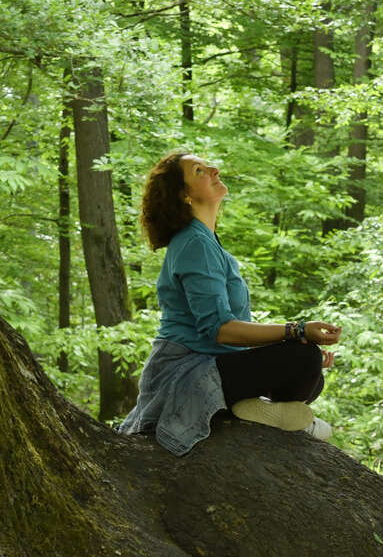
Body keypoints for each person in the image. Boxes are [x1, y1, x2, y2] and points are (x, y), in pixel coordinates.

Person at [119, 149, 342, 456]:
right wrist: (297, 331)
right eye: (199, 171)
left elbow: (229, 336)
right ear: (184, 195)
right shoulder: (194, 243)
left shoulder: (206, 242)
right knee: (302, 360)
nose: (213, 170)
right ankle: (253, 408)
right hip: (186, 370)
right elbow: (219, 330)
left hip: (213, 360)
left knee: (310, 368)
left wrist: (301, 344)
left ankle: (251, 407)